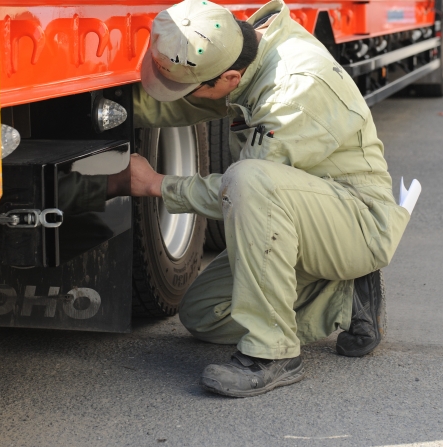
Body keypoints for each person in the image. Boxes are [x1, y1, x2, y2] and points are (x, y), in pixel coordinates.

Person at [130, 0, 410, 397]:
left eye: (200, 89)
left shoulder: (295, 86)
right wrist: (119, 110)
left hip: (357, 219)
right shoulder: (242, 45)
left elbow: (241, 194)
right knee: (202, 316)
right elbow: (189, 104)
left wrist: (154, 184)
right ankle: (345, 298)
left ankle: (273, 353)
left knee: (247, 179)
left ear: (228, 77)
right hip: (300, 215)